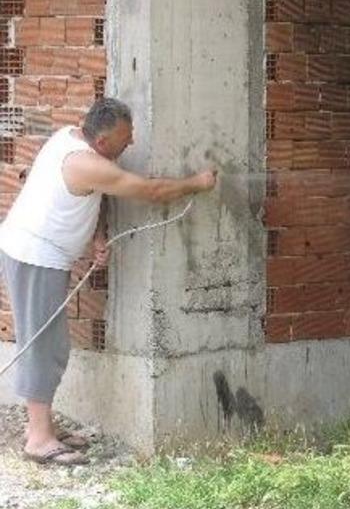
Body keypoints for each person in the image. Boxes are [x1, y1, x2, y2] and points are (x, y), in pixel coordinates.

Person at [0, 98, 216, 465]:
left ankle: (43, 426)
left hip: (34, 252)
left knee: (49, 342)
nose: (131, 142)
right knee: (44, 344)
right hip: (34, 255)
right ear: (101, 141)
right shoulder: (86, 164)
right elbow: (150, 191)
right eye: (125, 137)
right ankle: (38, 438)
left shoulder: (70, 136)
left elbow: (92, 195)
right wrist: (197, 182)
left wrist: (97, 237)